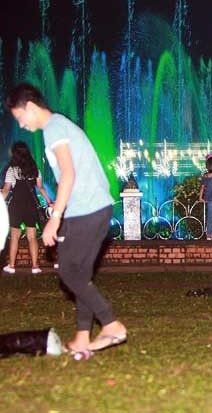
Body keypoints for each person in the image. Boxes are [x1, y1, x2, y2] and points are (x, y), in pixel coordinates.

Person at [6, 83, 126, 353]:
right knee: (80, 274)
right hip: (95, 208)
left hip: (86, 209)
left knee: (69, 272)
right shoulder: (59, 125)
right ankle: (83, 338)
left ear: (31, 107)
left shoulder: (54, 129)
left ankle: (110, 324)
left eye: (19, 117)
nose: (22, 125)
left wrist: (55, 217)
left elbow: (68, 174)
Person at [2, 141, 53, 274]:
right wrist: (49, 201)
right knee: (32, 237)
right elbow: (40, 188)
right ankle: (35, 266)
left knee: (14, 237)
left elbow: (7, 189)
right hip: (31, 206)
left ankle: (12, 266)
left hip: (16, 207)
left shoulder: (12, 169)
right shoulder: (34, 168)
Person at [198, 155, 212, 241]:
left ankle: (209, 235)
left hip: (210, 200)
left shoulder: (205, 177)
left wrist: (200, 198)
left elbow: (202, 188)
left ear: (207, 165)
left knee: (210, 218)